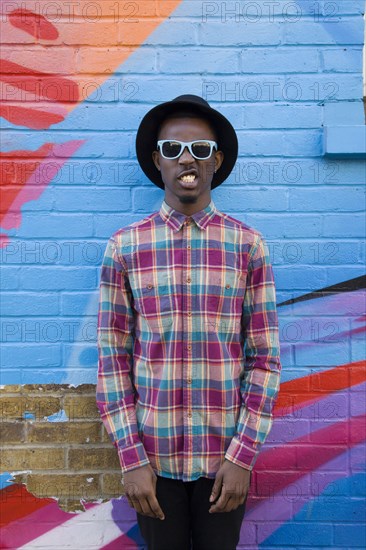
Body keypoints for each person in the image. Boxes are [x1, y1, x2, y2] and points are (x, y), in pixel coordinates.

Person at [96, 95, 281, 550]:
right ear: (157, 160)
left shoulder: (247, 247)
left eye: (200, 150)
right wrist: (131, 458)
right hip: (153, 463)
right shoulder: (125, 248)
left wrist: (243, 456)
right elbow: (112, 360)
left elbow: (265, 359)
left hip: (224, 462)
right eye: (174, 149)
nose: (187, 160)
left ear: (216, 161)